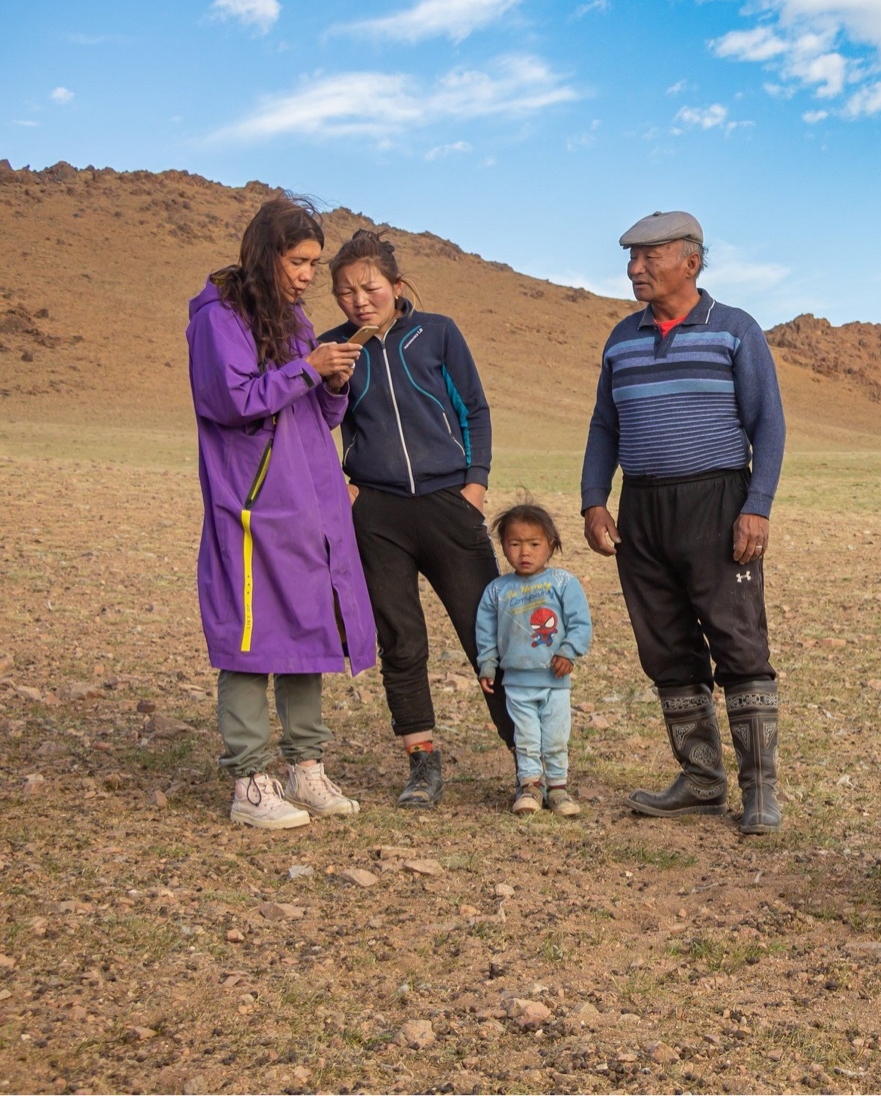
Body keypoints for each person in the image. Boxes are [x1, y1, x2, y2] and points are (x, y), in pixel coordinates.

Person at [581, 210, 788, 834]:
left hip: (718, 502)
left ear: (690, 262)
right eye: (632, 257)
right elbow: (604, 426)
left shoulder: (734, 330)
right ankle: (701, 781)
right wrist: (595, 497)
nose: (634, 268)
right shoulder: (621, 338)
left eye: (650, 257)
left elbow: (768, 424)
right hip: (643, 508)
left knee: (738, 642)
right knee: (666, 646)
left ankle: (758, 791)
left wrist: (757, 506)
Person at [187, 194, 377, 830]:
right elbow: (231, 400)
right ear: (266, 253)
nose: (305, 274)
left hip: (308, 496)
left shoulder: (294, 320)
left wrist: (332, 383)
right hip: (253, 500)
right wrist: (308, 367)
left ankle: (305, 765)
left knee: (308, 621)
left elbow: (316, 416)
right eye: (298, 261)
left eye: (313, 263)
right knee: (249, 631)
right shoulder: (219, 316)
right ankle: (248, 780)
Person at [317, 230, 511, 809]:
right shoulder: (333, 347)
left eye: (369, 287)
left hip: (450, 505)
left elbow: (472, 406)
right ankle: (422, 762)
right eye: (345, 291)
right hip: (377, 515)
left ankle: (530, 760)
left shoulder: (438, 333)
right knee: (402, 642)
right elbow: (310, 424)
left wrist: (474, 483)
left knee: (490, 638)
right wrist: (343, 486)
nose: (358, 300)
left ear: (395, 286)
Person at [475, 504, 593, 817]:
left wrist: (569, 651)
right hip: (516, 682)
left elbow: (580, 623)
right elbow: (485, 633)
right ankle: (529, 787)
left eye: (534, 544)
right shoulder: (497, 591)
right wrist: (487, 663)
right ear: (503, 546)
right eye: (515, 544)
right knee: (525, 738)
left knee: (555, 738)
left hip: (555, 683)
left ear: (551, 546)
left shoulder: (564, 584)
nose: (524, 552)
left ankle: (557, 789)